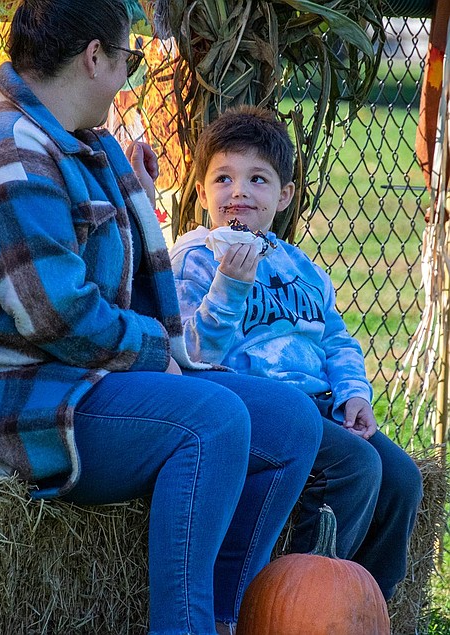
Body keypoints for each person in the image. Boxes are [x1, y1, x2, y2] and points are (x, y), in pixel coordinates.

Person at [0, 3, 322, 633]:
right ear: (95, 57)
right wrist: (162, 353)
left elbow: (117, 277)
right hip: (15, 398)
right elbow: (56, 315)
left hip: (83, 376)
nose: (128, 75)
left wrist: (139, 203)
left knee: (290, 424)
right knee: (213, 422)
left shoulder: (75, 142)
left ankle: (227, 618)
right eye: (129, 59)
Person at [170, 105, 423, 603]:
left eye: (257, 179)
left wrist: (354, 394)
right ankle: (301, 605)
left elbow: (336, 339)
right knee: (354, 467)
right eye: (223, 178)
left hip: (320, 404)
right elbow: (194, 355)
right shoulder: (195, 257)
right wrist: (229, 288)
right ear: (202, 192)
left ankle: (366, 606)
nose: (238, 191)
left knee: (401, 478)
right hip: (255, 409)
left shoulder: (299, 266)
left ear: (283, 196)